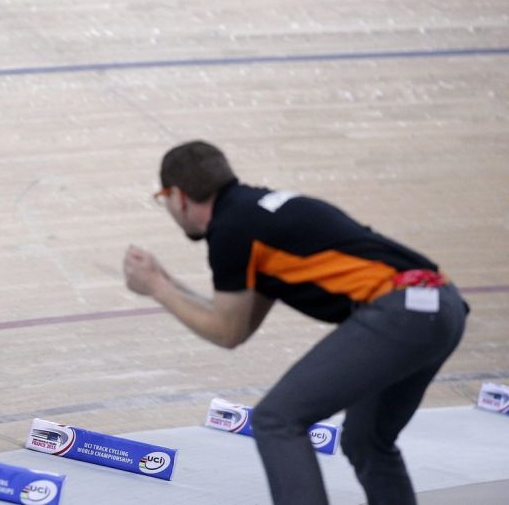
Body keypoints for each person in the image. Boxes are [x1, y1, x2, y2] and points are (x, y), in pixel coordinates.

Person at [123, 140, 468, 505]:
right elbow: (236, 322)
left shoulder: (230, 230)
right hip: (440, 307)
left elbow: (226, 334)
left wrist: (158, 288)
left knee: (276, 420)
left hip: (402, 313)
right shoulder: (255, 213)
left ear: (177, 195)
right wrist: (168, 283)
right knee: (366, 441)